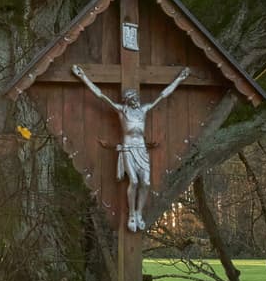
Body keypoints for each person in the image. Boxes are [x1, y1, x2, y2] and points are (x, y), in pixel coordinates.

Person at [71, 64, 190, 231]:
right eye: (133, 98)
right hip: (128, 149)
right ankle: (132, 215)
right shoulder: (122, 111)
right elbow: (100, 96)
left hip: (141, 149)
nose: (136, 100)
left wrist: (179, 79)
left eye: (136, 98)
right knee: (133, 180)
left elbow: (163, 96)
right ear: (127, 100)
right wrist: (83, 76)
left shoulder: (144, 110)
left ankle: (139, 213)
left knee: (146, 183)